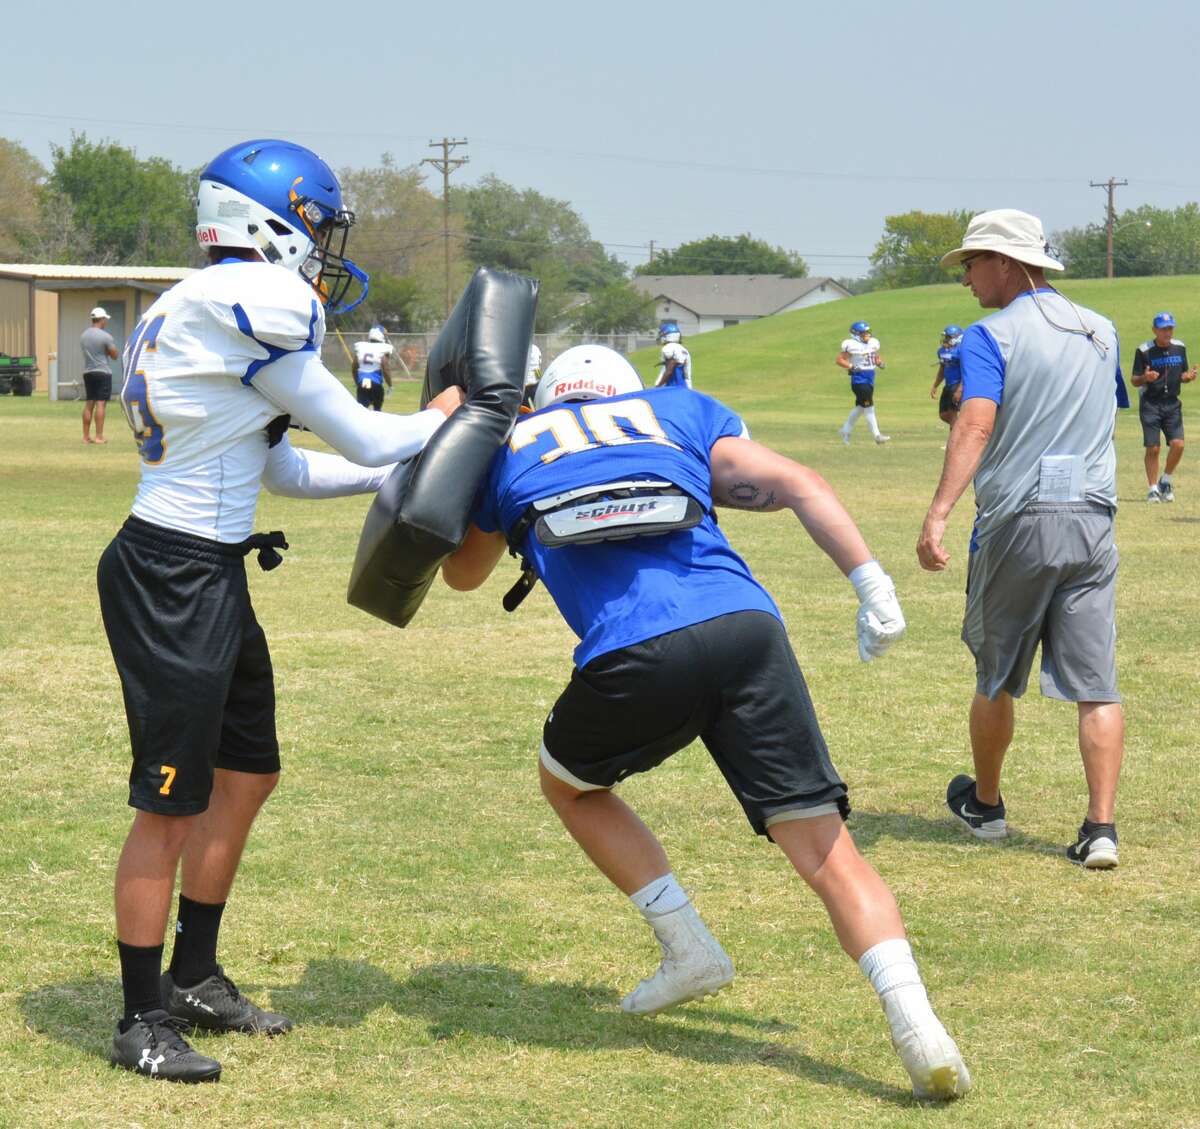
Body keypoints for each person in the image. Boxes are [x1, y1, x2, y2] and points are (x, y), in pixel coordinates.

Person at [442, 345, 970, 1101]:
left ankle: (686, 946)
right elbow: (799, 482)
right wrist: (873, 584)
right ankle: (919, 1028)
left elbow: (462, 574)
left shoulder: (510, 444)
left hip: (634, 651)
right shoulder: (676, 409)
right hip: (746, 628)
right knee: (825, 848)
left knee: (570, 785)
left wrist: (452, 459)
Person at [99, 138, 464, 1083]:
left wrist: (395, 472)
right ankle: (140, 1018)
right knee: (168, 804)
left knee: (248, 772)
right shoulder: (254, 296)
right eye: (318, 222)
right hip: (173, 572)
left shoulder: (202, 303)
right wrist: (449, 418)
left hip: (207, 568)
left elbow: (290, 468)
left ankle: (194, 975)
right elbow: (369, 434)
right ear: (276, 218)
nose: (324, 243)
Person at [917, 208, 1128, 870]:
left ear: (1005, 263)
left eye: (972, 263)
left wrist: (939, 512)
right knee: (1097, 683)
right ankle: (1100, 828)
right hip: (1094, 518)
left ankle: (986, 806)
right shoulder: (1102, 329)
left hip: (1019, 518)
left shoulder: (990, 335)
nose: (967, 278)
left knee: (995, 674)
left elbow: (976, 423)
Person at [1131, 311, 1195, 502]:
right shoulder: (1144, 350)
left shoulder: (1179, 348)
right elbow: (1134, 380)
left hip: (1172, 404)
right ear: (1154, 330)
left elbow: (1182, 375)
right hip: (1150, 404)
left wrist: (1187, 377)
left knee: (1178, 444)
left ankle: (1165, 481)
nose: (1167, 332)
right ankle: (1153, 489)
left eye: (1170, 328)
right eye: (1163, 329)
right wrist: (1145, 377)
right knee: (1153, 448)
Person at [836, 321, 889, 444]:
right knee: (869, 406)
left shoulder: (873, 342)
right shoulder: (851, 344)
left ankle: (845, 430)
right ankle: (877, 436)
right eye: (863, 333)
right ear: (856, 334)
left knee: (861, 407)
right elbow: (839, 360)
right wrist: (851, 366)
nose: (867, 335)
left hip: (870, 378)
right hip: (859, 379)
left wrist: (879, 362)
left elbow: (874, 355)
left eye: (867, 332)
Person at [81, 306, 119, 444]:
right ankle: (99, 436)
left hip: (88, 372)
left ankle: (86, 436)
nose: (106, 322)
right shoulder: (106, 336)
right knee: (101, 403)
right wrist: (107, 351)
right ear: (101, 319)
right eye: (105, 319)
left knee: (89, 403)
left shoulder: (84, 335)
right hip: (102, 372)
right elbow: (115, 355)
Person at [352, 325, 394, 411]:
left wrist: (357, 382)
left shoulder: (362, 347)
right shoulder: (383, 348)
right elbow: (385, 368)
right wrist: (390, 385)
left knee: (362, 410)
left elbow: (354, 367)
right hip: (375, 383)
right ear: (381, 336)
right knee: (377, 410)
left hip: (364, 382)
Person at [930, 325, 964, 427]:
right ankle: (962, 429)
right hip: (948, 385)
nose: (945, 339)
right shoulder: (942, 351)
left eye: (948, 337)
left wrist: (960, 389)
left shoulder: (961, 351)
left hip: (957, 384)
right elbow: (942, 368)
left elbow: (966, 371)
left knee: (952, 414)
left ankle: (956, 436)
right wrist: (935, 385)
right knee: (944, 414)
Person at [654, 321, 693, 389]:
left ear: (667, 336)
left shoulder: (669, 348)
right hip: (685, 387)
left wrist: (658, 386)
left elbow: (669, 371)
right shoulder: (684, 350)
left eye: (662, 334)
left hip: (673, 387)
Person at [521, 341, 543, 409]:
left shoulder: (521, 348)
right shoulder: (536, 348)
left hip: (525, 385)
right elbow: (538, 367)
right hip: (536, 384)